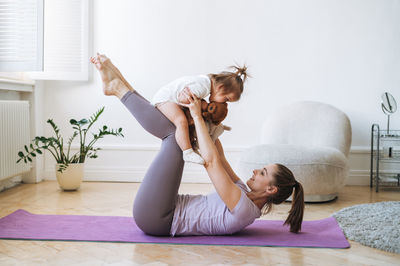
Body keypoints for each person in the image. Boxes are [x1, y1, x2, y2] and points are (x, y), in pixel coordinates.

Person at [90, 54, 305, 237]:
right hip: (165, 206)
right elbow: (217, 153)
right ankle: (119, 84)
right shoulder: (241, 191)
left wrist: (196, 115)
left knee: (175, 137)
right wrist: (209, 119)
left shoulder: (243, 209)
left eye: (263, 172)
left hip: (158, 219)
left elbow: (210, 162)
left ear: (271, 189)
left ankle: (119, 89)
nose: (256, 171)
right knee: (178, 130)